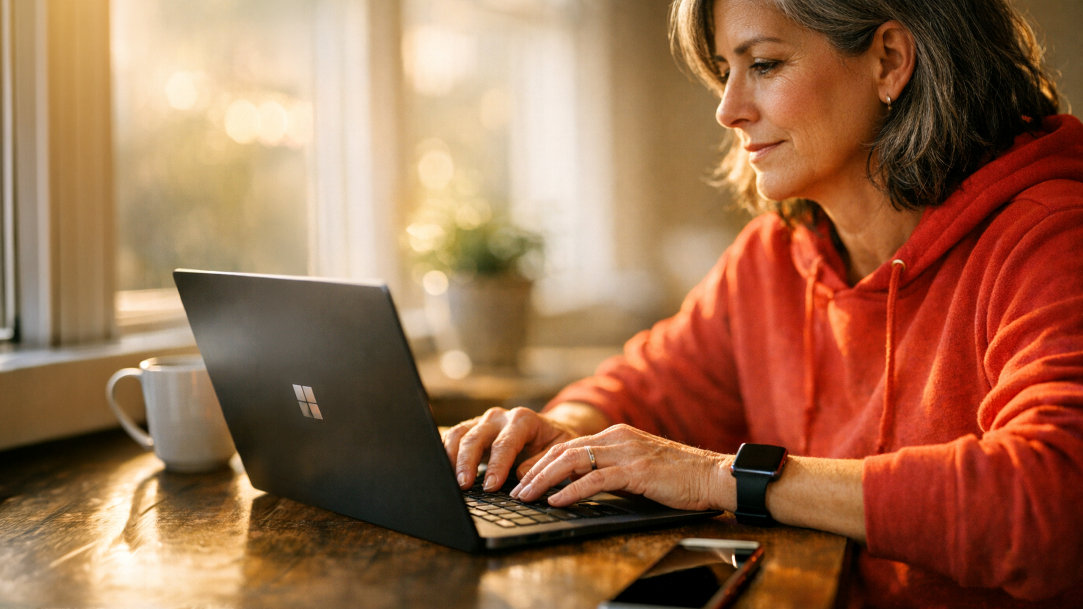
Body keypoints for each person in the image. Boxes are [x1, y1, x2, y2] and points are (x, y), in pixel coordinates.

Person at [442, 0, 1083, 606]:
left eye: (765, 64)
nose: (727, 109)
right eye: (725, 72)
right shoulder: (773, 256)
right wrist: (568, 431)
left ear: (888, 60)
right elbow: (648, 387)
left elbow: (1050, 503)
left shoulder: (1052, 236)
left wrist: (725, 476)